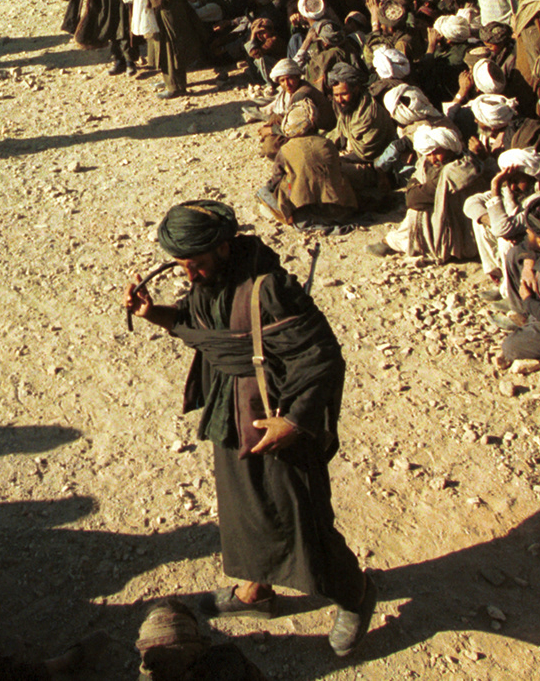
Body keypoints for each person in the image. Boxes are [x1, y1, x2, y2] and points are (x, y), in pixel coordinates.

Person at [125, 200, 377, 659]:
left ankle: (355, 594)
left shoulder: (268, 289)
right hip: (232, 410)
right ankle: (256, 592)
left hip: (274, 415)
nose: (189, 275)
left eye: (195, 263)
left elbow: (321, 356)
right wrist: (154, 313)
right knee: (246, 509)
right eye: (181, 264)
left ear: (224, 248)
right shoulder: (210, 281)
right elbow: (206, 331)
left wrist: (294, 421)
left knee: (301, 518)